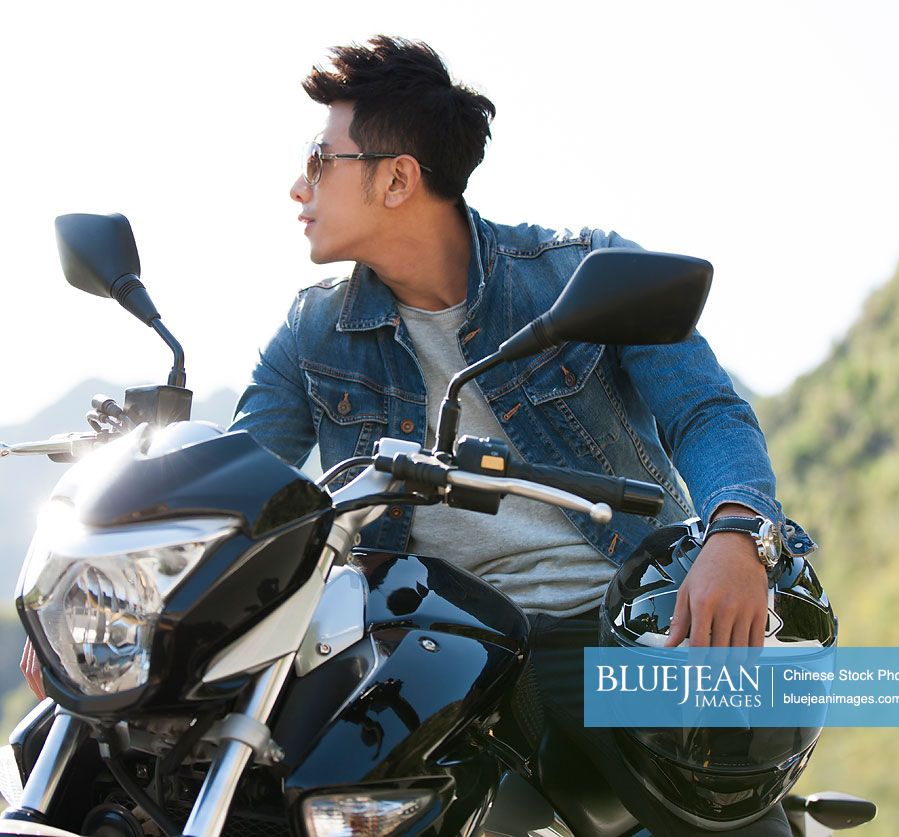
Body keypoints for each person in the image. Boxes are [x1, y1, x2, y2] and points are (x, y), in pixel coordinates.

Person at [226, 36, 796, 836]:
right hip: (424, 645)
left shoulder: (576, 272)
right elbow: (243, 488)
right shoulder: (312, 332)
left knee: (718, 813)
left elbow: (704, 411)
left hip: (599, 621)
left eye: (321, 160)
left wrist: (735, 534)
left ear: (396, 178)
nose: (299, 184)